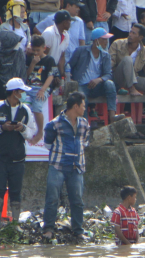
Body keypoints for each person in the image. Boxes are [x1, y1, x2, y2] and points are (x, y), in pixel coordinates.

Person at [42, 91, 91, 241]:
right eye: (83, 106)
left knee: (77, 200)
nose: (84, 108)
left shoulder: (84, 123)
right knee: (52, 198)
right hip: (57, 166)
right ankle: (48, 228)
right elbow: (47, 144)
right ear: (75, 106)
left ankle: (78, 230)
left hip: (77, 167)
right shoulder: (55, 123)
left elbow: (85, 142)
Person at [0, 78, 36, 224]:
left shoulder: (25, 110)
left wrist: (22, 128)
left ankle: (14, 223)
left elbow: (31, 133)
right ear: (14, 92)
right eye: (21, 91)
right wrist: (3, 128)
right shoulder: (0, 106)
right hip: (1, 158)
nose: (22, 94)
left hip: (18, 159)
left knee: (16, 192)